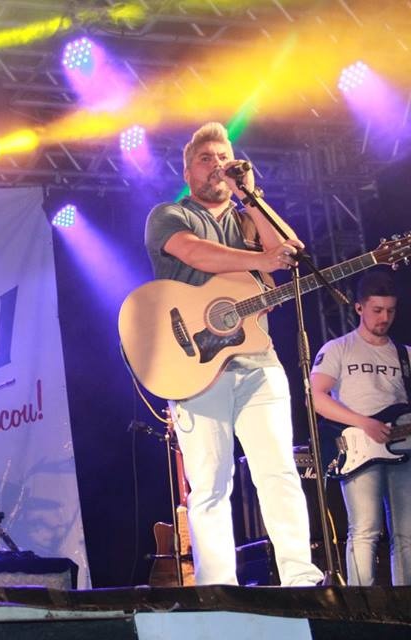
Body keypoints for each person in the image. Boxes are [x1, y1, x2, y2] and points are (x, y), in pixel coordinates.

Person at [144, 122, 324, 586]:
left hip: (259, 360)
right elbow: (195, 253)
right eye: (206, 159)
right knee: (209, 485)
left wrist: (252, 198)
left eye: (224, 158)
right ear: (188, 171)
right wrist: (261, 261)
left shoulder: (248, 216)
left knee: (279, 471)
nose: (217, 165)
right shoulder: (169, 214)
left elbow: (287, 251)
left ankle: (301, 580)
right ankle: (219, 590)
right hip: (195, 367)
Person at [311, 270, 411, 585]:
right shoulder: (338, 348)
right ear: (359, 308)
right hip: (358, 448)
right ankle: (361, 603)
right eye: (377, 310)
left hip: (402, 449)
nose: (385, 318)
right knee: (365, 529)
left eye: (390, 310)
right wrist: (364, 423)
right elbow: (316, 398)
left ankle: (404, 604)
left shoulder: (405, 354)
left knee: (406, 534)